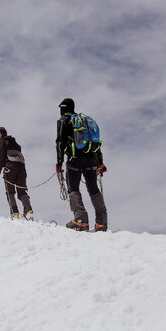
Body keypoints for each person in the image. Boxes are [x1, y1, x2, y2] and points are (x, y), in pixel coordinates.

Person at [55, 98, 108, 231]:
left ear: (63, 108)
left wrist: (59, 162)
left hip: (75, 160)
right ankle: (102, 222)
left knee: (73, 189)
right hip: (91, 160)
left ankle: (81, 220)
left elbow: (60, 142)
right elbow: (97, 144)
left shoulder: (63, 121)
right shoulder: (84, 121)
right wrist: (100, 163)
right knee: (93, 189)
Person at [0, 126, 33, 220]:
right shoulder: (16, 144)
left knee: (10, 192)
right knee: (22, 190)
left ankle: (15, 213)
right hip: (22, 169)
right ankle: (28, 211)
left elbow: (1, 158)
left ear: (2, 133)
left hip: (10, 169)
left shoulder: (2, 142)